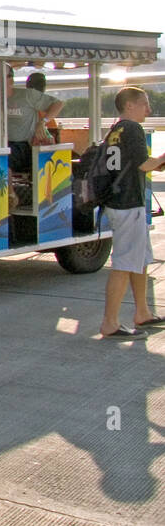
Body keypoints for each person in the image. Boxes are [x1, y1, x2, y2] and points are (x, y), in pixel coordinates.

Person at [98, 87, 165, 339]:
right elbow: (144, 164)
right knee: (124, 262)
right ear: (129, 106)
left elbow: (131, 166)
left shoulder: (115, 130)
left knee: (140, 258)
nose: (148, 109)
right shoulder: (134, 129)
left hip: (118, 202)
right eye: (144, 104)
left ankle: (143, 312)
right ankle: (110, 322)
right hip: (128, 205)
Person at [0, 66, 62, 170]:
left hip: (25, 146)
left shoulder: (27, 95)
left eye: (3, 77)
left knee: (0, 160)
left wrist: (43, 122)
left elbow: (58, 104)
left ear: (11, 79)